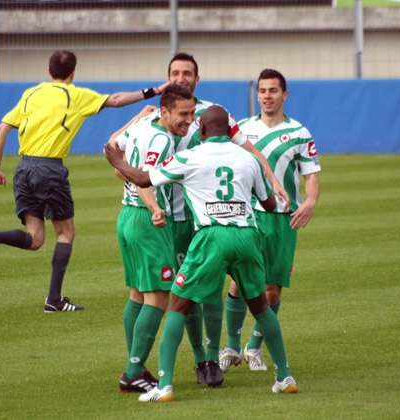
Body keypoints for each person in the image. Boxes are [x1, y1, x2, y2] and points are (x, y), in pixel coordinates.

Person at [104, 105, 298, 402]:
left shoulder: (190, 157)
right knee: (260, 306)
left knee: (178, 305)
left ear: (203, 130)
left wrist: (117, 159)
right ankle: (284, 376)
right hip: (247, 235)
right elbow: (269, 206)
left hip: (211, 236)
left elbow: (143, 180)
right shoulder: (248, 159)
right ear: (228, 131)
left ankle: (165, 385)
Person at [0, 50, 169, 312]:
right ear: (73, 73)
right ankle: (54, 300)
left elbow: (2, 128)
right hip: (50, 169)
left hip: (23, 168)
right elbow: (116, 100)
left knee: (35, 238)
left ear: (49, 72)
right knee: (66, 233)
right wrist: (153, 90)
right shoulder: (75, 95)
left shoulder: (32, 93)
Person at [165, 52, 291, 385]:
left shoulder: (214, 114)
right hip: (173, 214)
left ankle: (206, 361)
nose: (181, 77)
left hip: (203, 219)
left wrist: (273, 179)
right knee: (182, 292)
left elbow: (248, 150)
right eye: (175, 72)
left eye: (187, 72)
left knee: (192, 293)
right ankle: (203, 358)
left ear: (196, 78)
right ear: (168, 76)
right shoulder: (154, 114)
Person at [219, 68, 321, 374]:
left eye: (273, 91)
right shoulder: (242, 130)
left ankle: (254, 347)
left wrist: (310, 202)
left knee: (272, 290)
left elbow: (311, 175)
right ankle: (232, 347)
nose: (267, 96)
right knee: (239, 281)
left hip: (282, 219)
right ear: (256, 94)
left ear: (284, 95)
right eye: (262, 91)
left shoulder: (300, 133)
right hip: (247, 215)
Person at [109, 84, 196, 393]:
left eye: (192, 113)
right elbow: (146, 178)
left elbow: (111, 147)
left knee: (136, 294)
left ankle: (137, 366)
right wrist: (155, 208)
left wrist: (125, 177)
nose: (189, 120)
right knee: (158, 296)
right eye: (182, 115)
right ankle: (133, 372)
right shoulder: (161, 138)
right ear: (165, 111)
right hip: (147, 222)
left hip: (126, 216)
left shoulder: (143, 122)